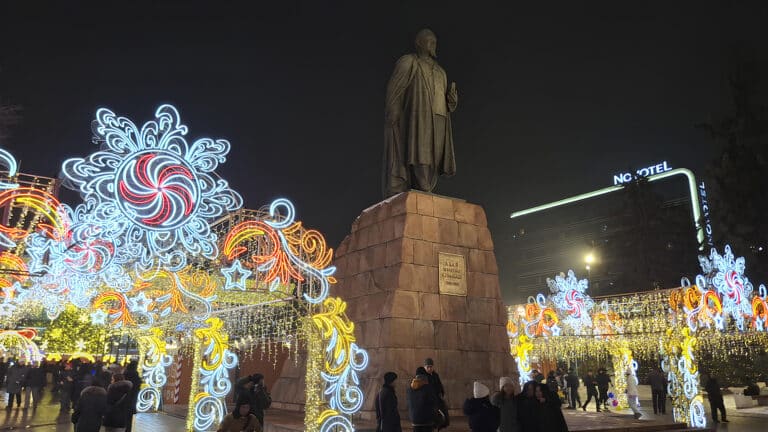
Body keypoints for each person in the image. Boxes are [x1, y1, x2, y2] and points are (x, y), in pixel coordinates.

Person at [382, 29, 458, 198]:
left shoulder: (441, 71)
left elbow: (445, 101)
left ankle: (427, 188)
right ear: (419, 43)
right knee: (420, 153)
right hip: (419, 117)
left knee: (436, 156)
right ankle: (422, 187)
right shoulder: (409, 62)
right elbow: (395, 89)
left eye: (435, 42)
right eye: (429, 41)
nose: (433, 45)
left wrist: (451, 101)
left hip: (440, 117)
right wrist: (393, 111)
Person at [423, 358, 448, 429]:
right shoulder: (423, 376)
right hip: (428, 398)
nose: (429, 368)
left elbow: (439, 385)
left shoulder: (435, 375)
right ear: (425, 367)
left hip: (436, 397)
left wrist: (441, 393)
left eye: (431, 366)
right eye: (428, 367)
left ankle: (439, 424)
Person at [123, 360, 143, 432]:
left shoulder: (125, 373)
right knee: (129, 416)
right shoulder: (135, 374)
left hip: (125, 397)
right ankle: (128, 429)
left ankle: (124, 427)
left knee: (125, 414)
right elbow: (137, 384)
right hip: (132, 397)